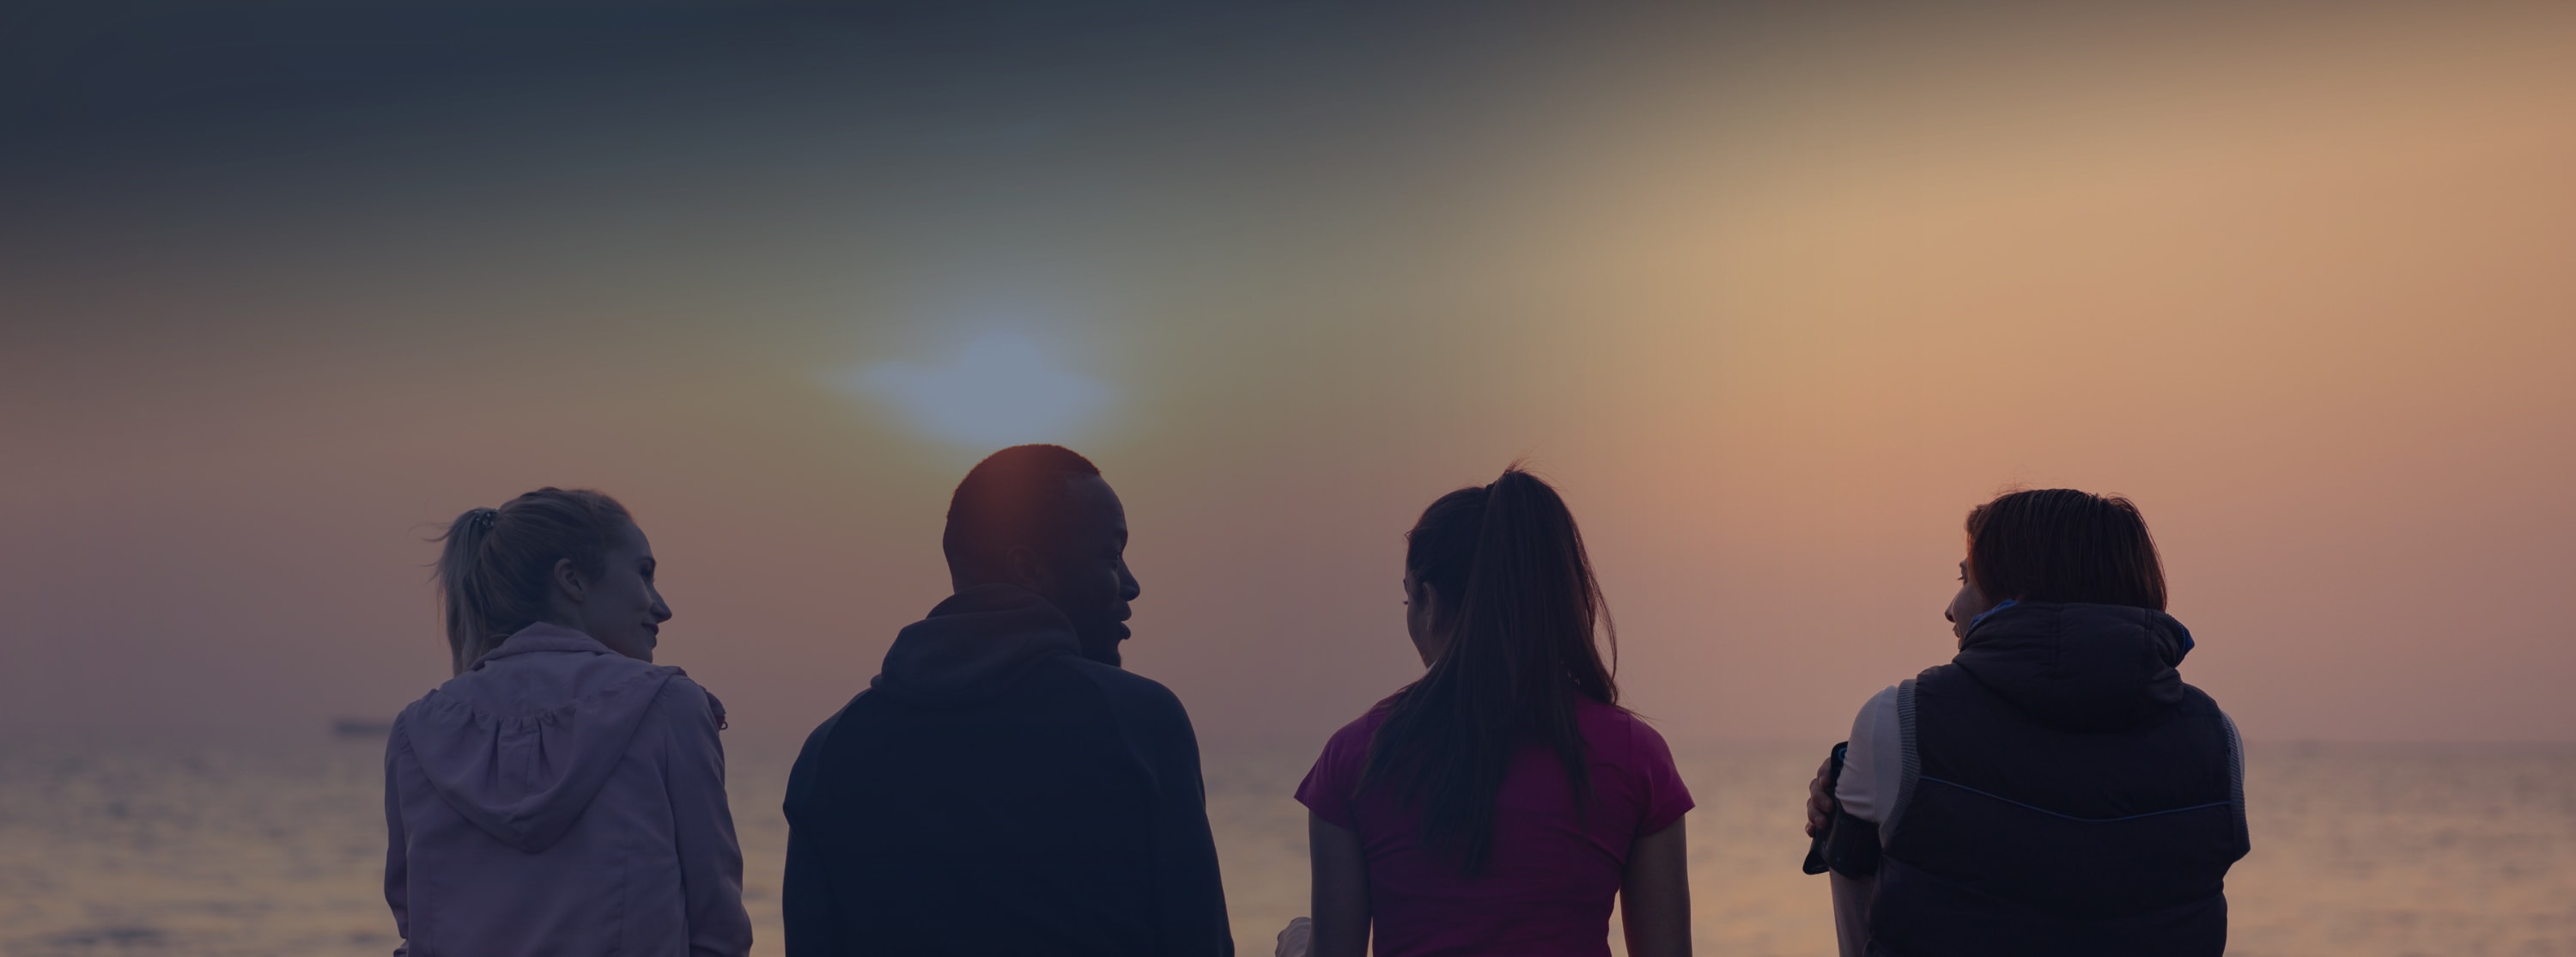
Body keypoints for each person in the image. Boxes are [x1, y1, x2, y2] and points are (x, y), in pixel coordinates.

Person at [781, 444, 1232, 957]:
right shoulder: (1139, 721)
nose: (1131, 584)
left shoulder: (830, 749)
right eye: (1111, 555)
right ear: (1031, 570)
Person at [1803, 489, 2249, 957]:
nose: (1951, 608)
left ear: (2016, 592)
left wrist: (1850, 791)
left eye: (1967, 578)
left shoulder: (1898, 722)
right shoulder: (2218, 740)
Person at [1288, 467, 1694, 957]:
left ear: (1429, 601)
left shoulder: (1356, 757)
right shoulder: (1637, 758)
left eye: (1407, 597)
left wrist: (1298, 944)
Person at [383, 488, 751, 957]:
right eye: (643, 574)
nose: (661, 606)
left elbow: (416, 931)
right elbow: (719, 933)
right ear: (572, 580)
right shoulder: (669, 708)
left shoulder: (417, 731)